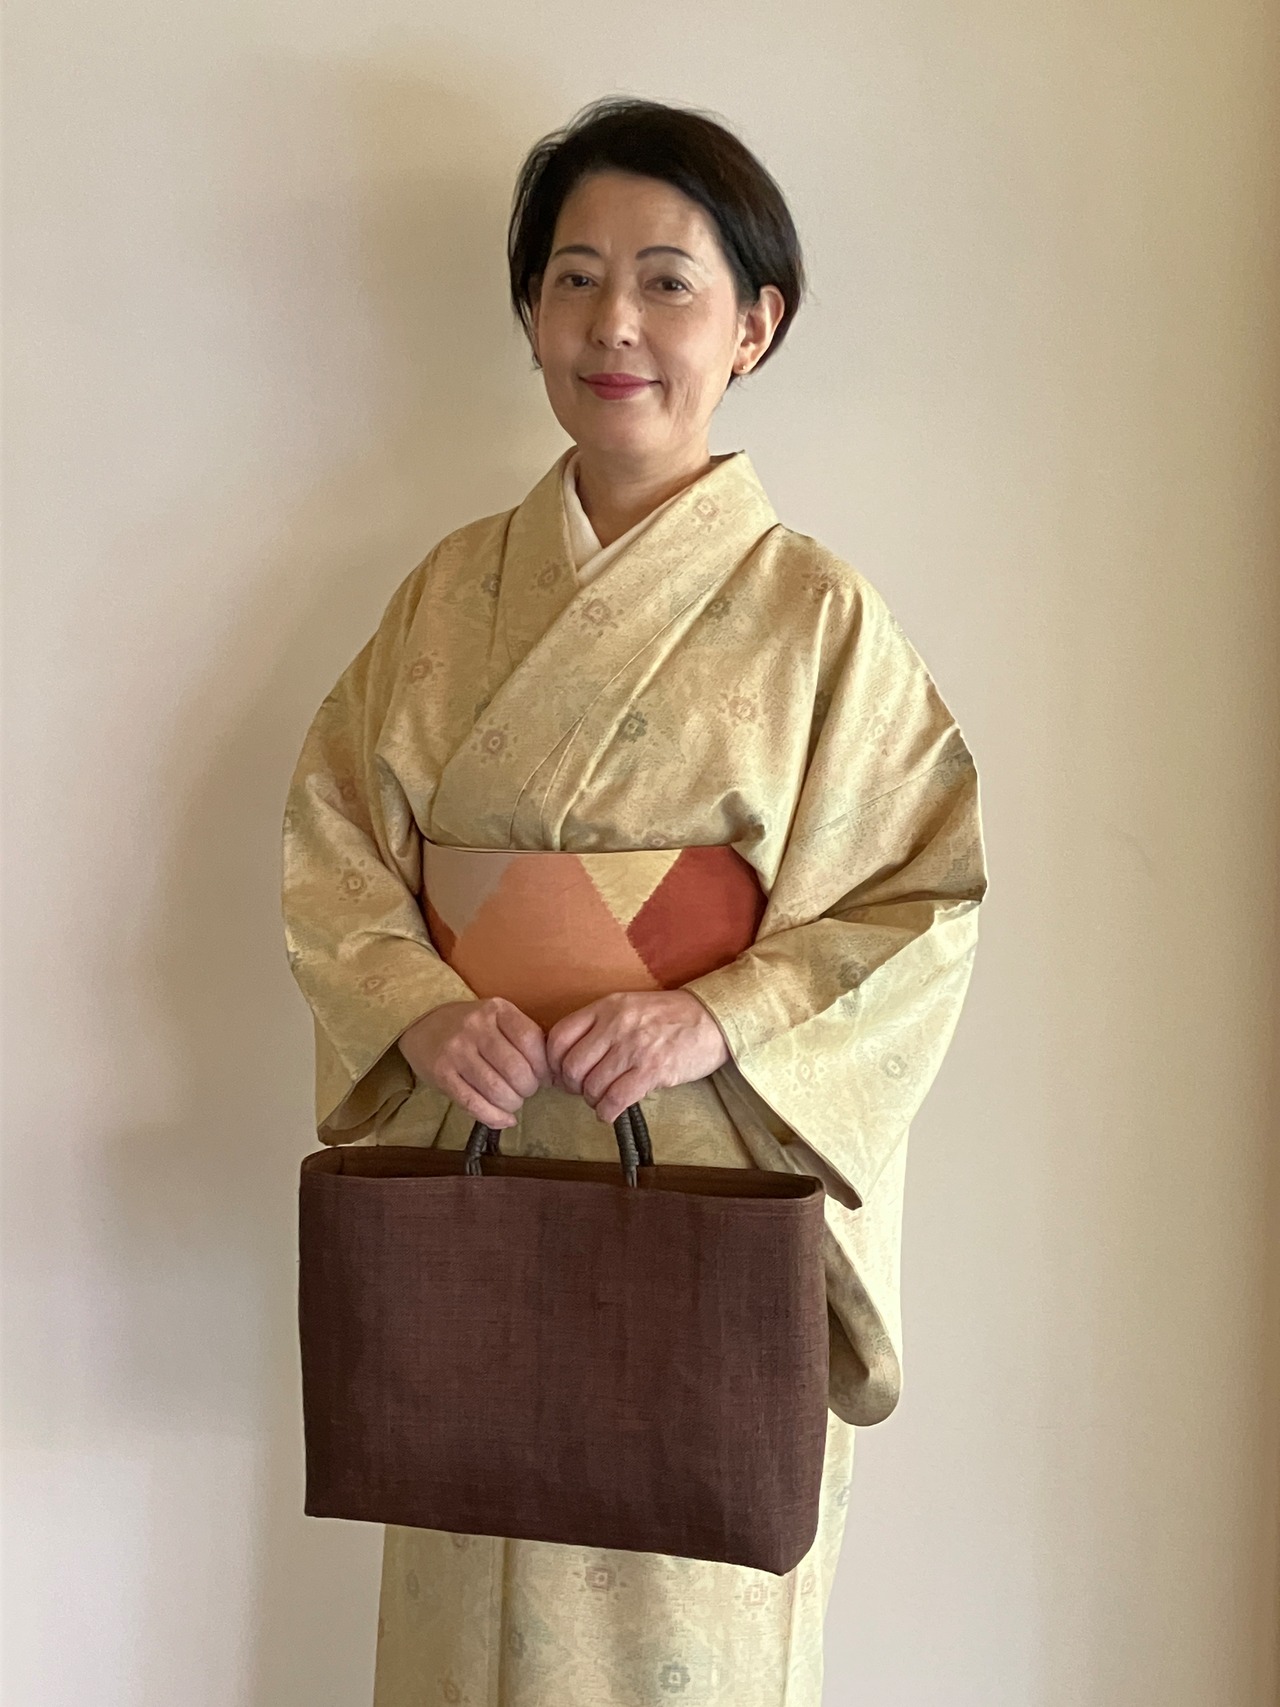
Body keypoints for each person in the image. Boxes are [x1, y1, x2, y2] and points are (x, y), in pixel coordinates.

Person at [282, 94, 987, 1707]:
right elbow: (335, 843)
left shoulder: (820, 617)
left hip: (701, 1185)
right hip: (476, 1160)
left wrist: (713, 1016)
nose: (615, 325)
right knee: (462, 1577)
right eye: (576, 278)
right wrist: (418, 1007)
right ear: (531, 313)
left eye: (669, 282)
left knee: (690, 1615)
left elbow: (921, 898)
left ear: (753, 326)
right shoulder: (447, 597)